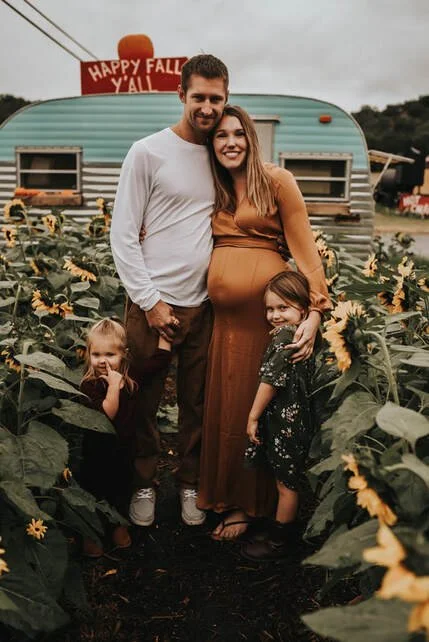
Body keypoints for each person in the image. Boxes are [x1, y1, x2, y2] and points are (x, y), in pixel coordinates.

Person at [197, 105, 331, 540]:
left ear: (251, 138)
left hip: (264, 321)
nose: (230, 141)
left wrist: (314, 311)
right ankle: (226, 496)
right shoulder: (211, 183)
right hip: (224, 324)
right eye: (221, 135)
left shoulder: (276, 181)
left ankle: (254, 505)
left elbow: (305, 250)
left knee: (259, 410)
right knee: (225, 411)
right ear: (211, 143)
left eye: (238, 133)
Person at [110, 55, 229, 527]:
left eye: (215, 98)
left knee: (196, 403)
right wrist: (150, 301)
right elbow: (123, 234)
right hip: (151, 305)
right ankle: (143, 481)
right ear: (181, 96)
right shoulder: (148, 152)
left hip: (205, 304)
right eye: (198, 96)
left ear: (226, 100)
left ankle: (188, 483)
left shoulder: (222, 154)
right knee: (143, 400)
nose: (206, 106)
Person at [79, 318, 172, 555]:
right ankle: (91, 532)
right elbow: (107, 414)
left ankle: (118, 525)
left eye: (110, 354)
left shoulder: (131, 377)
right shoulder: (89, 385)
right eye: (96, 354)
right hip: (95, 452)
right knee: (93, 491)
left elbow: (158, 363)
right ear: (88, 354)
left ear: (123, 355)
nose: (102, 360)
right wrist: (113, 386)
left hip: (124, 449)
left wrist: (166, 336)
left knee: (121, 488)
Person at [241, 271, 316, 561]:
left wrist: (253, 415)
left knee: (286, 485)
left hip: (285, 421)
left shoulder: (286, 337)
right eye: (270, 309)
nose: (274, 315)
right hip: (296, 419)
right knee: (286, 479)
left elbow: (270, 381)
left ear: (304, 309)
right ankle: (278, 528)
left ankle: (279, 542)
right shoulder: (303, 334)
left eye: (282, 308)